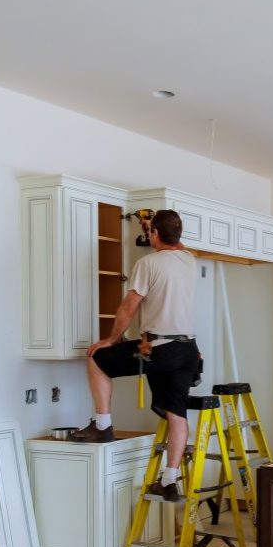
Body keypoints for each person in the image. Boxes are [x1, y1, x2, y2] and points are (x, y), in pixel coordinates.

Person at [70, 209, 201, 501]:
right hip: (188, 349)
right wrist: (153, 227)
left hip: (160, 347)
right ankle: (168, 481)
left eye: (151, 232)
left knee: (97, 358)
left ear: (154, 234)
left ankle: (102, 426)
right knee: (177, 414)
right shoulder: (189, 260)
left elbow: (129, 307)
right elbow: (173, 242)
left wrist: (111, 339)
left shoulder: (147, 263)